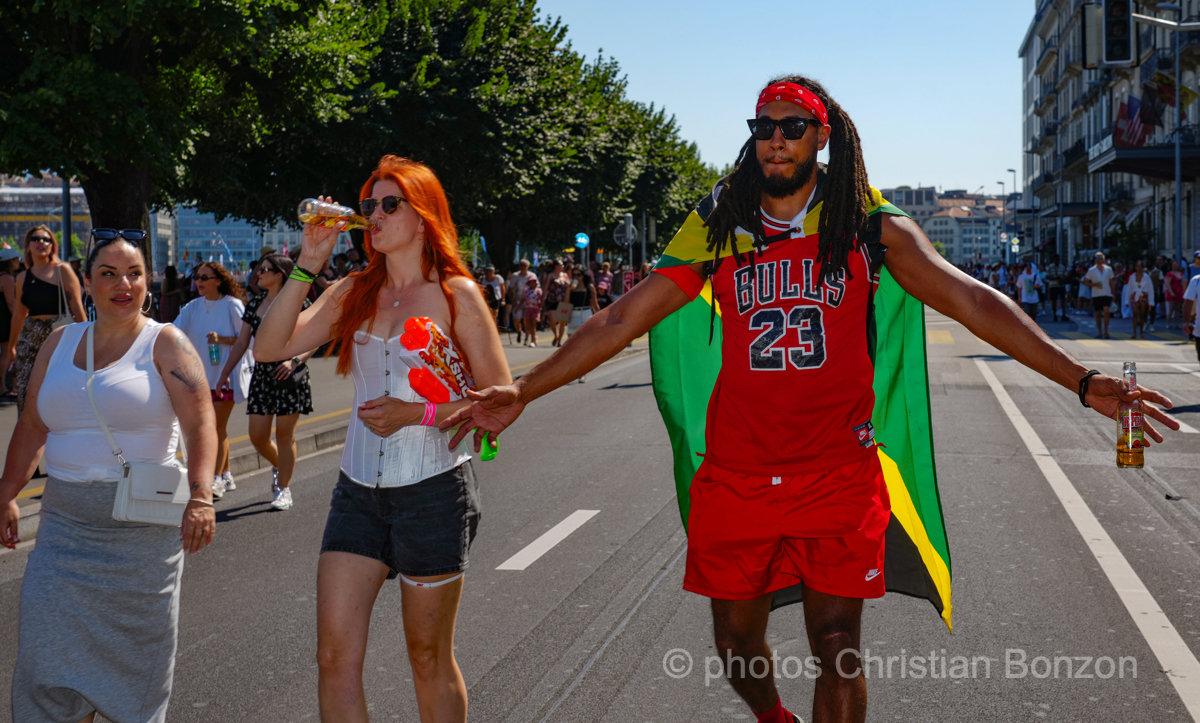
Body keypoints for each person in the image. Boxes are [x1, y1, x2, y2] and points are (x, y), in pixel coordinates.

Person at [441, 76, 1180, 723]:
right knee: (735, 641)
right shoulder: (719, 223)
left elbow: (971, 301)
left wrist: (1082, 381)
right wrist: (525, 388)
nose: (774, 141)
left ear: (822, 137)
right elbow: (619, 317)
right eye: (762, 128)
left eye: (791, 127)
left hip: (836, 473)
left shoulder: (867, 224)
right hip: (736, 473)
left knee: (837, 643)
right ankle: (772, 715)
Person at [253, 155, 511, 722]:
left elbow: (500, 403)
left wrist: (415, 413)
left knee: (426, 657)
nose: (374, 214)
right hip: (357, 493)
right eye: (369, 204)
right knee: (333, 656)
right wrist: (308, 262)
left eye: (390, 204)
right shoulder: (352, 290)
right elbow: (270, 348)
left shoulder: (456, 294)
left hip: (435, 490)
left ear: (423, 219)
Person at [0, 231, 217, 723]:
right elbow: (32, 424)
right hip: (63, 531)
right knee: (46, 666)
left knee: (133, 673)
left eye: (135, 273)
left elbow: (201, 421)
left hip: (142, 539)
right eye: (109, 273)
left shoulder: (166, 342)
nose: (124, 284)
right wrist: (6, 494)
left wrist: (201, 495)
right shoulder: (60, 341)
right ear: (88, 282)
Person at [217, 254, 314, 511]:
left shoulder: (300, 303)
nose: (258, 274)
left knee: (285, 435)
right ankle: (279, 466)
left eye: (264, 270)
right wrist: (225, 372)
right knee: (257, 437)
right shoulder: (255, 302)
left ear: (279, 274)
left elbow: (314, 339)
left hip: (290, 375)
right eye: (260, 270)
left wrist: (294, 360)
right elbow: (241, 343)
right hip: (262, 376)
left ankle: (284, 488)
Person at [172, 261, 252, 499]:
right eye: (197, 277)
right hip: (200, 380)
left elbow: (246, 340)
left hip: (225, 377)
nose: (200, 281)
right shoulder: (191, 308)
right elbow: (174, 334)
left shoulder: (232, 305)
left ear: (219, 280)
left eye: (205, 277)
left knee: (215, 428)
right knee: (217, 428)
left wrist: (222, 340)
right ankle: (226, 474)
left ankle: (215, 479)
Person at [10, 226, 86, 414]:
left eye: (46, 240)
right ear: (27, 246)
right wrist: (11, 346)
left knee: (57, 391)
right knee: (26, 392)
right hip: (28, 338)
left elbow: (77, 307)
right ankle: (28, 436)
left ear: (53, 246)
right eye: (36, 239)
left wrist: (86, 340)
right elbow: (19, 314)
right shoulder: (22, 277)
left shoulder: (63, 271)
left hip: (58, 336)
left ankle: (56, 436)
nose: (41, 243)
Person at [0, 248, 21, 397]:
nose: (18, 262)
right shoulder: (6, 278)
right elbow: (11, 303)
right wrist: (20, 321)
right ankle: (5, 387)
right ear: (10, 261)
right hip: (5, 320)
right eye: (16, 259)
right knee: (8, 353)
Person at [1082, 251, 1114, 338]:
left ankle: (1106, 331)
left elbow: (1111, 282)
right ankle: (1100, 332)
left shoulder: (1108, 269)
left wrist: (1114, 294)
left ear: (1103, 259)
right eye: (1096, 258)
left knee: (1106, 312)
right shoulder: (1091, 270)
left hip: (1107, 293)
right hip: (1096, 294)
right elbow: (1086, 282)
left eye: (1100, 258)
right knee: (1098, 313)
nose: (1098, 260)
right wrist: (1094, 284)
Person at [542, 261, 570, 346]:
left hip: (563, 301)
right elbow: (545, 288)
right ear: (556, 266)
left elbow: (569, 286)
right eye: (561, 265)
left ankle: (559, 341)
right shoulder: (550, 275)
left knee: (562, 322)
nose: (563, 266)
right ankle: (556, 335)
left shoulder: (565, 275)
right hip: (553, 300)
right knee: (552, 321)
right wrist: (543, 300)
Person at [1126, 260, 1154, 339]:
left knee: (1142, 315)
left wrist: (1151, 301)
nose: (1139, 268)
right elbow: (1129, 289)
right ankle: (1134, 332)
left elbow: (1150, 289)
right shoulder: (1132, 277)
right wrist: (1126, 300)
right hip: (1135, 296)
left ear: (1143, 267)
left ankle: (1141, 332)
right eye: (1137, 266)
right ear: (1135, 267)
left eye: (1140, 266)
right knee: (1135, 313)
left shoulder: (1146, 277)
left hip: (1143, 296)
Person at [519, 275, 543, 347]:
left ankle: (533, 341)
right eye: (530, 282)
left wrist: (540, 307)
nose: (532, 283)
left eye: (533, 282)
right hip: (527, 309)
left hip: (535, 309)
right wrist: (518, 308)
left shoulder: (539, 290)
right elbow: (523, 299)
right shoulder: (526, 290)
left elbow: (541, 300)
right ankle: (530, 338)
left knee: (533, 325)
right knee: (528, 325)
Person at [1043, 255, 1067, 322]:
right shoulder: (1050, 267)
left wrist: (1062, 278)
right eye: (1056, 260)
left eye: (1058, 260)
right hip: (1053, 285)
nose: (1057, 261)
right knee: (1054, 300)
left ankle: (1063, 315)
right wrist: (1055, 278)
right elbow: (1047, 276)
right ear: (1053, 260)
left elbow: (1066, 275)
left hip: (1061, 285)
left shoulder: (1062, 267)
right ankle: (1055, 315)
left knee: (1063, 300)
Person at [1164, 260, 1185, 329]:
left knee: (1178, 309)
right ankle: (1168, 323)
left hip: (1179, 292)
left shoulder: (1181, 273)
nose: (1175, 266)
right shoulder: (1170, 274)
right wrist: (1171, 292)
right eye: (1174, 265)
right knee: (1171, 308)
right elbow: (1168, 284)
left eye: (1176, 264)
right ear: (1171, 266)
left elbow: (1183, 282)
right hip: (1172, 292)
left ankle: (1177, 324)